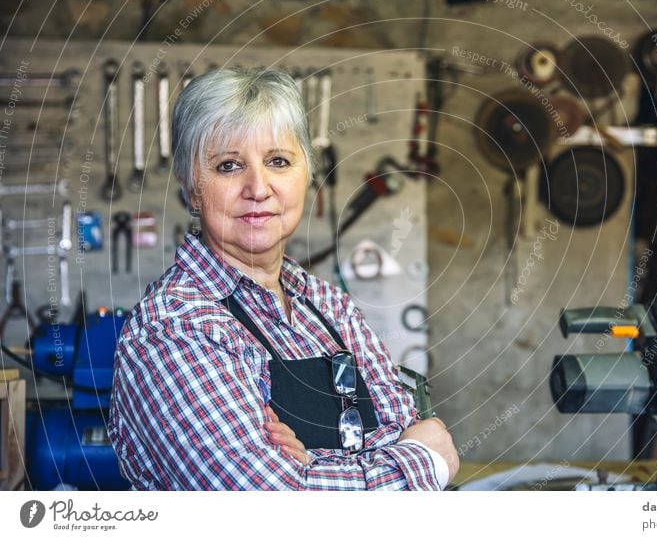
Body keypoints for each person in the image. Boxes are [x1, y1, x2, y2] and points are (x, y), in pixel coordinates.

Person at [107, 66, 459, 490]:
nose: (259, 187)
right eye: (229, 165)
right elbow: (265, 506)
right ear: (191, 186)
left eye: (278, 161)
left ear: (306, 173)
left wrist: (311, 464)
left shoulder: (330, 306)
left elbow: (404, 426)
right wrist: (422, 463)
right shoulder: (176, 327)